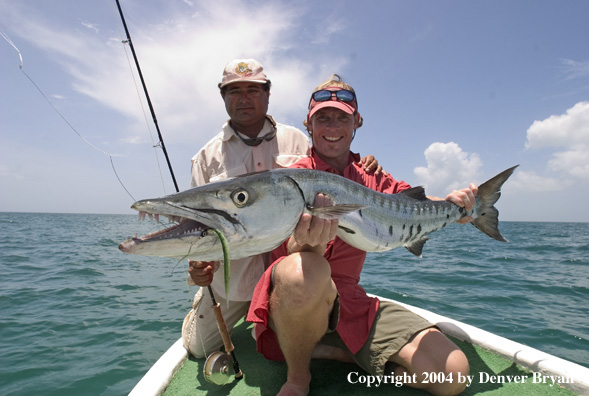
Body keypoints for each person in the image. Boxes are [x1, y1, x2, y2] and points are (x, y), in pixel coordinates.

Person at [247, 74, 476, 396]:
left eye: (342, 117)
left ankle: (339, 352)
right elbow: (281, 257)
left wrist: (455, 207)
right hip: (293, 301)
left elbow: (414, 202)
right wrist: (306, 242)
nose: (332, 126)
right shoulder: (290, 178)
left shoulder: (372, 176)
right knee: (303, 272)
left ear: (357, 123)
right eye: (322, 118)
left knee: (451, 375)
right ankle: (298, 378)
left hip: (350, 301)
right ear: (308, 125)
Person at [182, 60, 381, 359]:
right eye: (234, 91)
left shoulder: (298, 140)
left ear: (268, 95)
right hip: (234, 283)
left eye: (253, 89)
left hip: (290, 273)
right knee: (198, 349)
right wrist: (199, 267)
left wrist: (363, 164)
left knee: (300, 315)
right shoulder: (205, 158)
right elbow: (201, 227)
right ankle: (203, 308)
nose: (244, 98)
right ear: (223, 97)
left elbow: (332, 170)